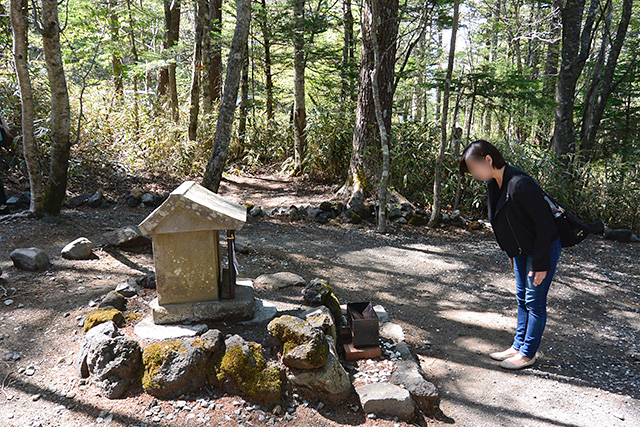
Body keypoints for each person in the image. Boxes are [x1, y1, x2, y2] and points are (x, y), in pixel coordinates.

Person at [459, 140, 562, 370]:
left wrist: (541, 263)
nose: (474, 174)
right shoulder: (494, 184)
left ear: (488, 160)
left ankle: (528, 354)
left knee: (535, 301)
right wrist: (510, 251)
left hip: (542, 248)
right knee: (522, 296)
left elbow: (546, 227)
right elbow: (504, 221)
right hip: (520, 250)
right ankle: (517, 347)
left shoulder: (520, 184)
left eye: (475, 168)